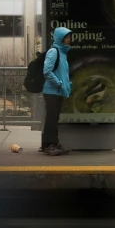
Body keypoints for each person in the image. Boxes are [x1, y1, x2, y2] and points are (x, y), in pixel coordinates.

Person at [41, 27, 72, 156]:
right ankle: (49, 145)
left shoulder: (63, 53)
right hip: (52, 91)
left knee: (54, 119)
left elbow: (62, 73)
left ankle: (54, 143)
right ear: (60, 38)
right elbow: (47, 71)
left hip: (58, 91)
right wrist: (59, 84)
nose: (69, 39)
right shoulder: (54, 52)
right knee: (51, 119)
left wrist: (66, 84)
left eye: (69, 37)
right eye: (66, 37)